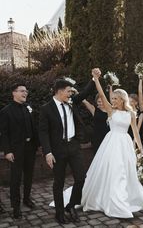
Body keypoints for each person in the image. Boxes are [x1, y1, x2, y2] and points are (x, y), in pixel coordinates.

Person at [76, 70, 143, 218]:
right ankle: (116, 202)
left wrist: (140, 147)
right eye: (112, 98)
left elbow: (135, 132)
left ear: (122, 100)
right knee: (115, 170)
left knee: (126, 171)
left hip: (125, 143)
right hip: (111, 143)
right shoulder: (110, 111)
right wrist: (95, 79)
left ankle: (126, 198)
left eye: (116, 99)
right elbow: (101, 92)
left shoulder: (131, 113)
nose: (113, 101)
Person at [39, 69, 100, 224]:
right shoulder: (46, 108)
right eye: (68, 91)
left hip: (73, 146)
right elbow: (43, 132)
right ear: (59, 92)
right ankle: (59, 213)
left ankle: (71, 205)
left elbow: (85, 92)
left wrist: (94, 78)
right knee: (58, 182)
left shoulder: (71, 102)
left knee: (81, 178)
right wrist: (47, 152)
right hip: (57, 149)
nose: (70, 94)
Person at [0, 83, 39, 219]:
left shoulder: (28, 107)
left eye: (26, 91)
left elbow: (34, 127)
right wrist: (7, 151)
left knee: (29, 176)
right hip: (16, 150)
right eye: (22, 91)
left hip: (30, 148)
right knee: (15, 179)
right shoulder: (6, 111)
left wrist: (37, 144)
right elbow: (4, 134)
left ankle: (27, 199)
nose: (25, 93)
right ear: (14, 93)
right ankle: (15, 207)